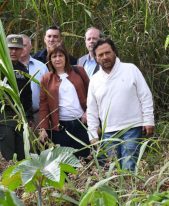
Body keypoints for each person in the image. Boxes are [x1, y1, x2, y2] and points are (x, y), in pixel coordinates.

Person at [87, 38, 155, 170]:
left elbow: (145, 96)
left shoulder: (130, 69)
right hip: (108, 132)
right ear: (95, 58)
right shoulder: (95, 80)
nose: (105, 57)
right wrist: (93, 133)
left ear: (115, 52)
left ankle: (130, 191)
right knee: (110, 170)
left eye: (108, 53)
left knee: (129, 167)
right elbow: (91, 109)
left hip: (132, 128)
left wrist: (148, 120)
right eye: (100, 55)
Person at [38, 43, 90, 159]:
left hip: (81, 125)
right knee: (63, 160)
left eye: (60, 55)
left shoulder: (79, 71)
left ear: (66, 57)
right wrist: (42, 128)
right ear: (50, 59)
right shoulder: (46, 78)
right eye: (54, 56)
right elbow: (43, 104)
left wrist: (88, 111)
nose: (57, 59)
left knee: (83, 158)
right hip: (60, 127)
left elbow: (92, 93)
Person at [19, 34, 49, 134]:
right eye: (18, 46)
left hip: (36, 115)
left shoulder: (41, 67)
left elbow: (47, 94)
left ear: (30, 47)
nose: (21, 49)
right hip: (14, 116)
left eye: (24, 45)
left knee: (35, 147)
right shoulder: (7, 66)